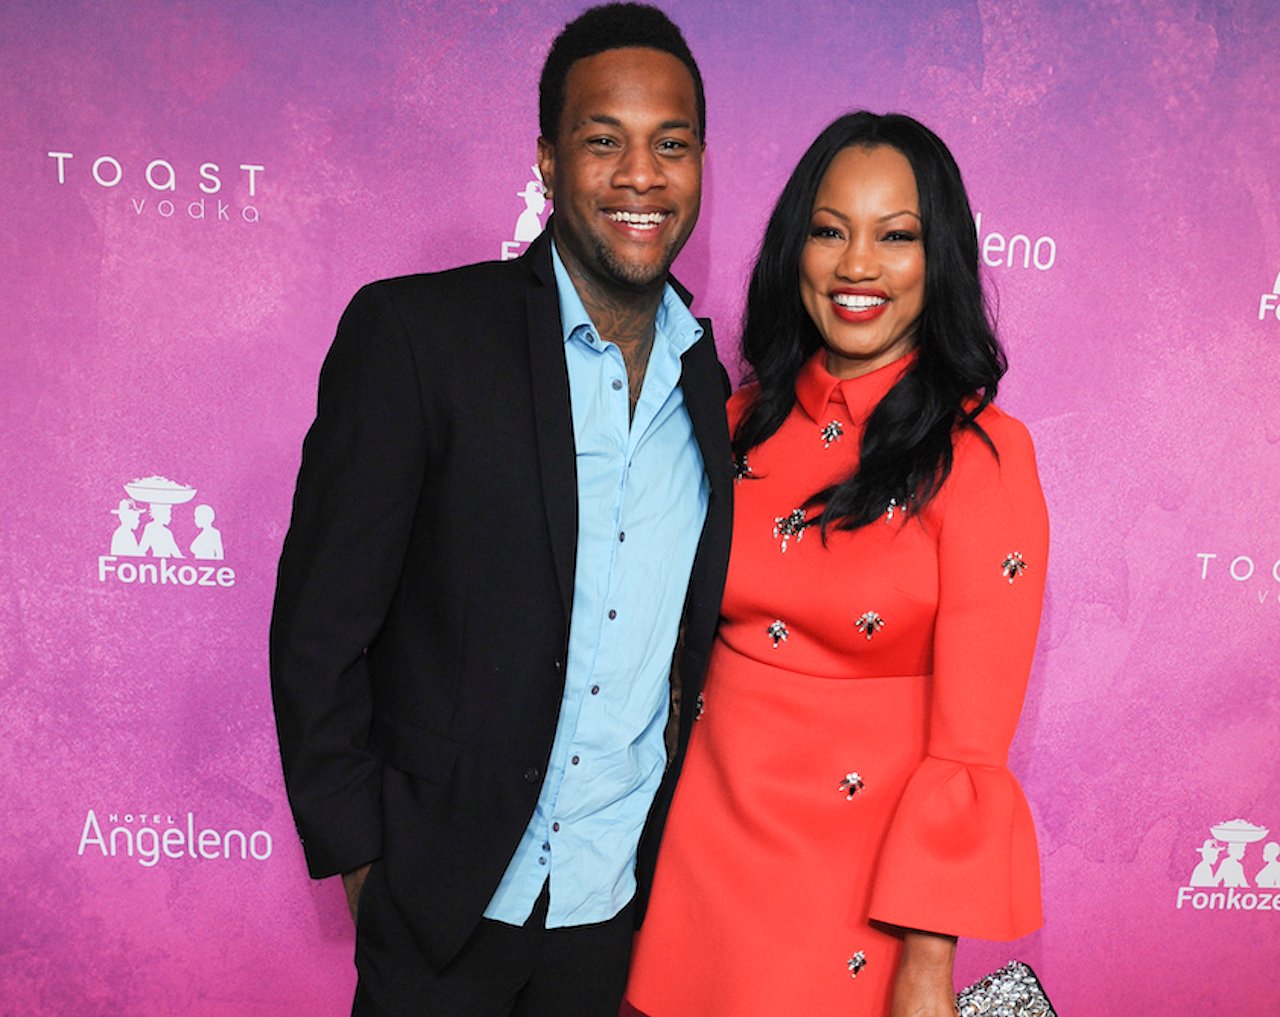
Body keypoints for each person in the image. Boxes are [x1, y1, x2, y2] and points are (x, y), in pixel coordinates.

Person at [269, 5, 731, 1015]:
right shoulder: (417, 337)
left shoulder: (713, 391)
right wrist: (366, 870)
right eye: (602, 140)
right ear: (547, 161)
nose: (640, 177)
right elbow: (318, 632)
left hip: (615, 922)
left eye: (671, 145)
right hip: (438, 915)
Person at [626, 112, 1048, 1017]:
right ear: (796, 248)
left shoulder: (982, 456)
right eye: (830, 231)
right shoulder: (729, 424)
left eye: (897, 236)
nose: (858, 265)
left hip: (863, 901)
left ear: (939, 263)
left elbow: (968, 748)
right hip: (698, 869)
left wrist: (926, 967)